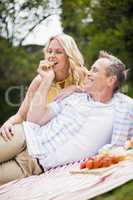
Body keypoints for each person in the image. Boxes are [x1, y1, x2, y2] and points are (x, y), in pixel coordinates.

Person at [0, 50, 133, 185]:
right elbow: (34, 120)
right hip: (22, 137)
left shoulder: (123, 107)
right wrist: (46, 80)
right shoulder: (74, 97)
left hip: (34, 166)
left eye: (94, 70)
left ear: (111, 80)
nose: (88, 72)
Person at [0, 33, 86, 141]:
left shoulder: (81, 75)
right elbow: (21, 115)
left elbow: (99, 94)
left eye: (58, 52)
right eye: (49, 51)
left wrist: (75, 88)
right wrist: (8, 123)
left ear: (69, 55)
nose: (52, 55)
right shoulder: (39, 80)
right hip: (37, 134)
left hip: (66, 137)